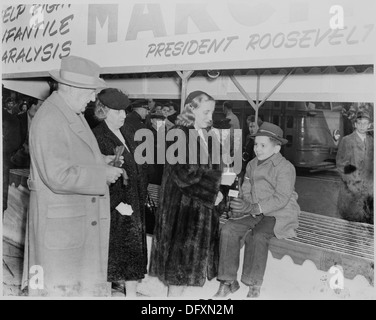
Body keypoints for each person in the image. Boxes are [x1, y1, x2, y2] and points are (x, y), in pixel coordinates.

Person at [25, 55, 123, 297]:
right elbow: (58, 175)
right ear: (70, 88)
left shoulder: (69, 113)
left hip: (72, 226)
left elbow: (71, 155)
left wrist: (100, 160)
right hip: (62, 233)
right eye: (90, 92)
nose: (93, 98)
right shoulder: (50, 119)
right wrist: (102, 176)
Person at [149, 90, 223, 297]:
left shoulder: (207, 135)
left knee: (185, 274)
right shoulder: (179, 135)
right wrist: (213, 193)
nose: (210, 117)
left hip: (198, 213)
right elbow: (184, 175)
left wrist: (219, 191)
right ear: (192, 109)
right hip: (182, 215)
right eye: (206, 112)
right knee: (178, 274)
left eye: (212, 112)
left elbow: (214, 171)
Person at [214, 122, 300, 298]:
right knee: (229, 229)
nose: (257, 149)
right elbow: (246, 186)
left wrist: (254, 207)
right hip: (253, 209)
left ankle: (254, 283)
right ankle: (228, 280)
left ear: (276, 148)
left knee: (258, 236)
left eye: (263, 145)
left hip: (277, 212)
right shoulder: (252, 164)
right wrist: (243, 204)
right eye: (255, 145)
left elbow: (281, 198)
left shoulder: (285, 168)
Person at [92, 88, 148, 297]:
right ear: (104, 111)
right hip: (115, 209)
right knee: (112, 262)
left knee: (132, 259)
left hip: (133, 204)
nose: (124, 115)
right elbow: (99, 176)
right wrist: (118, 205)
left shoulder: (127, 133)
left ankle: (131, 295)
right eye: (118, 112)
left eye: (125, 111)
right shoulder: (97, 137)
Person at [336, 110, 373, 224]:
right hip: (351, 190)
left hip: (368, 191)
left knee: (368, 222)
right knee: (352, 222)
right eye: (359, 123)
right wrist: (353, 183)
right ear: (355, 124)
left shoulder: (372, 141)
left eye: (365, 123)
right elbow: (342, 164)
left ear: (369, 125)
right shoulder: (347, 140)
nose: (362, 126)